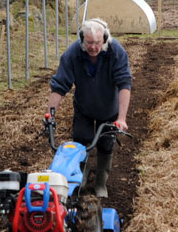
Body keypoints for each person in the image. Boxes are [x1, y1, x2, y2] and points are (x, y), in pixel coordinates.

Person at [48, 18, 131, 198]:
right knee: (80, 142)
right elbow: (59, 85)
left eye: (97, 43)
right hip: (84, 108)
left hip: (108, 109)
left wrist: (121, 118)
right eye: (89, 43)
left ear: (106, 38)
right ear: (81, 39)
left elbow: (125, 84)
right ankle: (81, 180)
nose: (93, 47)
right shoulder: (73, 54)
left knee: (105, 144)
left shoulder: (116, 52)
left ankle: (101, 182)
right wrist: (50, 116)